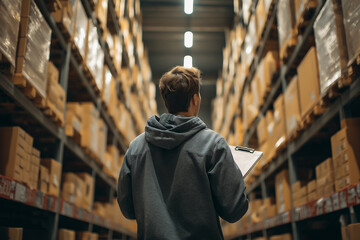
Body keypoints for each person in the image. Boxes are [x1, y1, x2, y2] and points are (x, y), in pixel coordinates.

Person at [117, 66, 248, 239]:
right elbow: (234, 210)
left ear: (166, 101)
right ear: (195, 99)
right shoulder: (213, 145)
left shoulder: (136, 148)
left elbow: (128, 209)